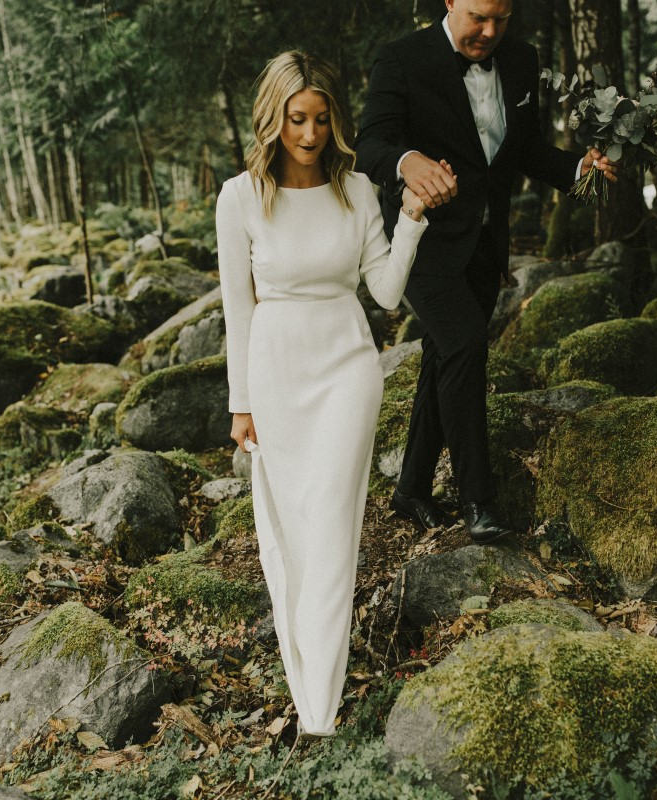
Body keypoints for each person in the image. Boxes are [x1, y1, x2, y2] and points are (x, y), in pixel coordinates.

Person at [217, 51, 447, 738]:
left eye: (321, 119)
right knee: (289, 532)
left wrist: (410, 216)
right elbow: (237, 306)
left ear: (335, 120)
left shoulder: (354, 193)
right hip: (277, 372)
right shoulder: (240, 198)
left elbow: (382, 291)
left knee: (333, 529)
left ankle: (321, 702)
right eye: (296, 119)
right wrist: (241, 402)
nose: (310, 134)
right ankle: (306, 679)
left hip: (348, 367)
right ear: (273, 117)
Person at [356, 0, 617, 543]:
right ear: (450, 1)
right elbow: (369, 145)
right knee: (467, 343)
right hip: (418, 241)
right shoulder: (400, 59)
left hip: (483, 244)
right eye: (479, 17)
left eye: (502, 18)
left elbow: (523, 151)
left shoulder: (522, 59)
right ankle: (480, 500)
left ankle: (411, 489)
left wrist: (578, 168)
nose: (490, 31)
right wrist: (408, 163)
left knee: (444, 354)